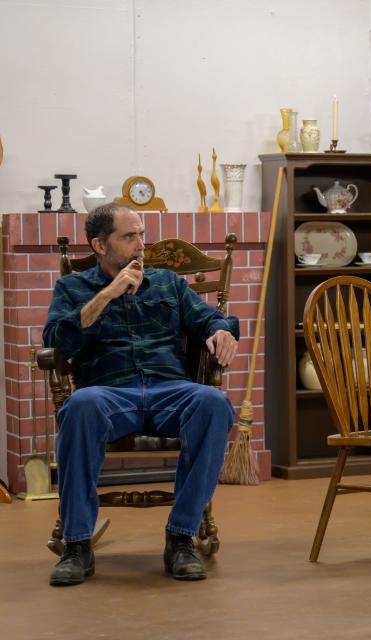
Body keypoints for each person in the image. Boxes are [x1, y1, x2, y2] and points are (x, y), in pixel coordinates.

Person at [43, 203, 240, 585]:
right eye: (129, 237)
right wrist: (108, 294)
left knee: (213, 402)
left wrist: (221, 330)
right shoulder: (73, 288)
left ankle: (181, 538)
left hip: (170, 389)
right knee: (79, 405)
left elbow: (207, 317)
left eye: (141, 235)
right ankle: (78, 546)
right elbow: (56, 341)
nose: (140, 246)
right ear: (100, 245)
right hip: (109, 393)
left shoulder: (168, 284)